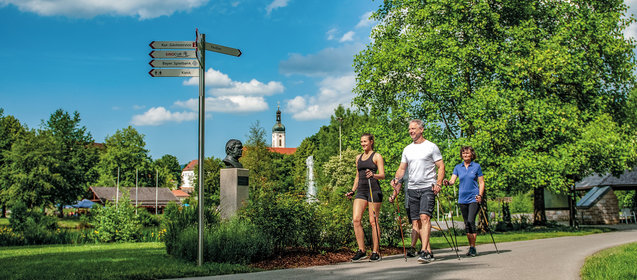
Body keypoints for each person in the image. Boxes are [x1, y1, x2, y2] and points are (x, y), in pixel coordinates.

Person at [390, 119, 445, 264]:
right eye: (409, 129)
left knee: (424, 218)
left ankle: (425, 251)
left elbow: (441, 166)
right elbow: (402, 168)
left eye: (413, 128)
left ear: (421, 129)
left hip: (427, 187)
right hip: (412, 189)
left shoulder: (431, 147)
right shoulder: (407, 149)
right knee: (417, 222)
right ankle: (428, 251)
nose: (410, 131)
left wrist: (438, 183)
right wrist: (396, 179)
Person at [345, 133, 386, 262]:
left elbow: (383, 175)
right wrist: (352, 190)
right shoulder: (358, 157)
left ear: (371, 142)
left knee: (373, 222)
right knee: (356, 220)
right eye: (361, 142)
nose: (363, 144)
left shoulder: (377, 156)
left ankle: (376, 251)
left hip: (373, 190)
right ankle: (361, 250)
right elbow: (357, 176)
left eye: (365, 141)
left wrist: (373, 175)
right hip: (361, 190)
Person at [443, 146, 485, 257]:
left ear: (472, 155)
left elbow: (481, 182)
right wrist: (448, 182)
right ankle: (471, 246)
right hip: (462, 198)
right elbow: (453, 180)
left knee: (471, 221)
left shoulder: (476, 166)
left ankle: (473, 247)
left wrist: (480, 195)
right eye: (463, 153)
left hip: (473, 198)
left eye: (467, 153)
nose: (465, 155)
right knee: (467, 223)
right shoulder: (458, 167)